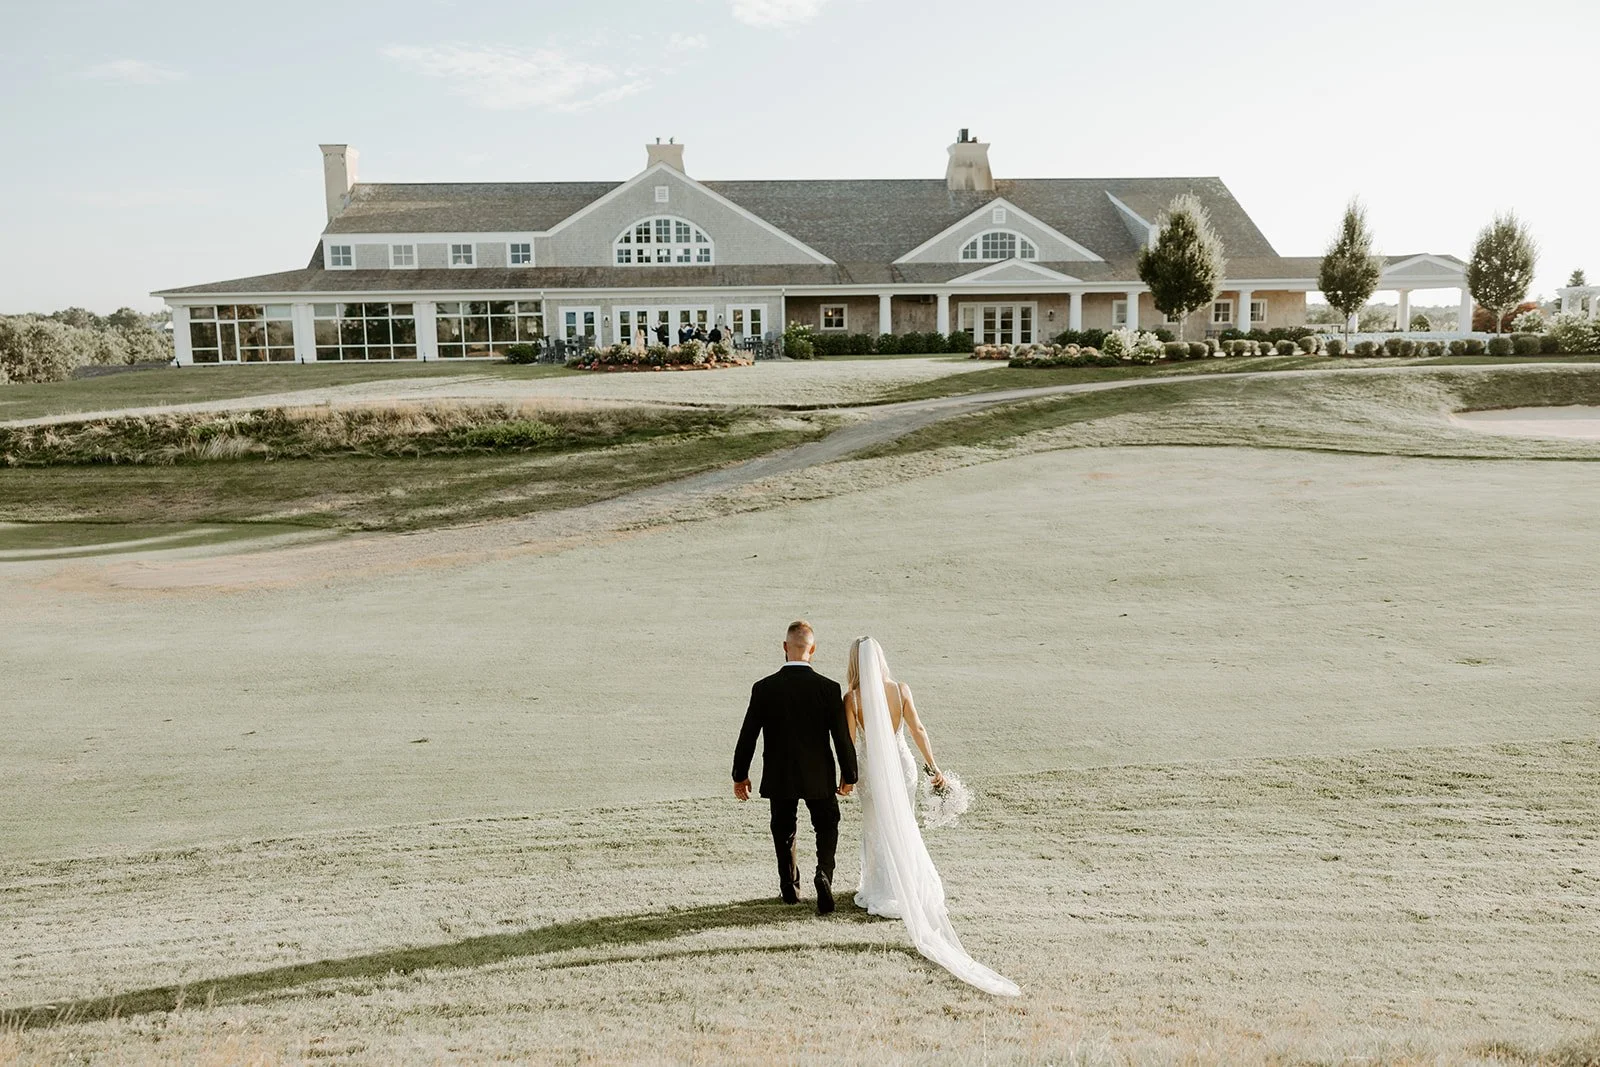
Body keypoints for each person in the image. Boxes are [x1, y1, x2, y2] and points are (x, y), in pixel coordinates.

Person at [843, 636, 1020, 996]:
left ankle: (881, 888)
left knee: (876, 829)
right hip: (903, 767)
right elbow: (917, 729)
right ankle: (905, 883)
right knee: (904, 826)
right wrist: (932, 766)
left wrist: (844, 778)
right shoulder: (901, 689)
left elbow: (848, 743)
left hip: (872, 773)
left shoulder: (853, 699)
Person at [732, 620, 857, 915]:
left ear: (785, 647)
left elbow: (747, 733)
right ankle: (824, 874)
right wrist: (849, 775)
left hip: (780, 774)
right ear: (812, 649)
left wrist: (740, 774)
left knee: (784, 828)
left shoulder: (764, 688)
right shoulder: (828, 689)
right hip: (819, 775)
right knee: (827, 825)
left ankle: (790, 887)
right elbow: (841, 738)